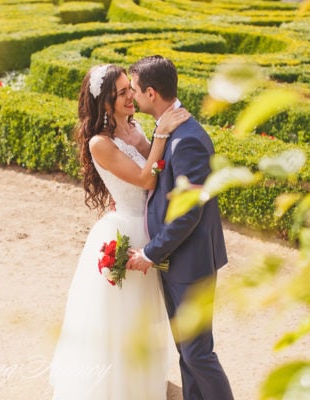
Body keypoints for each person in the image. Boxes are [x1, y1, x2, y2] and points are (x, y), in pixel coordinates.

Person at [49, 64, 190, 399]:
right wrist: (160, 134)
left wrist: (164, 134)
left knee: (145, 320)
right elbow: (145, 178)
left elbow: (158, 163)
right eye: (122, 93)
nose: (131, 96)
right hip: (124, 233)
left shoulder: (133, 128)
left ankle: (144, 385)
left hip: (147, 231)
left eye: (131, 88)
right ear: (105, 103)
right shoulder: (100, 143)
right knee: (119, 322)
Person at [126, 55, 234, 400]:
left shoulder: (186, 139)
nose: (131, 96)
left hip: (191, 263)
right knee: (186, 352)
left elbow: (188, 214)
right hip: (176, 260)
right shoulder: (169, 131)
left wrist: (151, 252)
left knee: (199, 353)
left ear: (152, 93)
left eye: (134, 90)